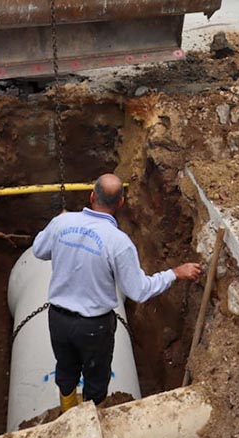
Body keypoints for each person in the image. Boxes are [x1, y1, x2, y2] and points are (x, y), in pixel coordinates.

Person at [32, 174, 203, 412]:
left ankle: (67, 412)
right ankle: (92, 417)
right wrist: (175, 272)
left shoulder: (62, 223)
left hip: (58, 320)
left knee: (66, 368)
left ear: (91, 196)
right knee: (96, 376)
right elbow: (139, 291)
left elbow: (39, 251)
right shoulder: (119, 243)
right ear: (121, 203)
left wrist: (56, 222)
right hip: (94, 327)